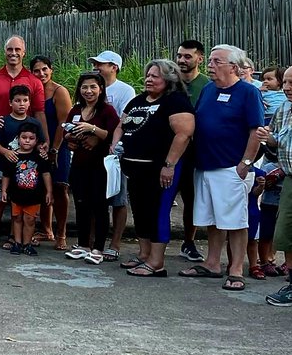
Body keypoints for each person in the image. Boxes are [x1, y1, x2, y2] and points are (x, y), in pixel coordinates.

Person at [179, 45, 264, 292]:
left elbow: (255, 131)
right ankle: (212, 263)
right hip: (205, 165)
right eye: (211, 61)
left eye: (217, 61)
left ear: (234, 67)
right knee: (212, 218)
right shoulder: (208, 89)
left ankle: (236, 269)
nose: (210, 65)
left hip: (231, 167)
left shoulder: (247, 92)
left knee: (236, 221)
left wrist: (245, 163)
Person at [109, 59, 194, 277]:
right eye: (148, 75)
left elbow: (183, 134)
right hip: (135, 169)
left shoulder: (176, 101)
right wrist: (115, 144)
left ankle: (157, 262)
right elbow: (121, 125)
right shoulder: (138, 100)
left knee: (158, 212)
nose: (149, 79)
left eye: (155, 76)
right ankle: (144, 254)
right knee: (140, 212)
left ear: (169, 78)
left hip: (160, 170)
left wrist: (169, 165)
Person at [257, 63, 292, 312]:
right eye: (285, 82)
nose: (286, 87)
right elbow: (278, 140)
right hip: (290, 180)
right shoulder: (284, 110)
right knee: (289, 236)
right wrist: (269, 139)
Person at [62, 72, 120, 265]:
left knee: (100, 207)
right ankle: (83, 244)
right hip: (79, 164)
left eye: (93, 87)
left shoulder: (107, 111)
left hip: (100, 166)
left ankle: (98, 248)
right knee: (80, 205)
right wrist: (70, 139)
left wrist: (92, 130)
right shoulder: (76, 109)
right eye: (85, 87)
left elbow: (113, 135)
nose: (88, 91)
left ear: (101, 89)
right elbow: (66, 132)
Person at [0, 85, 47, 250]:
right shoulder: (3, 121)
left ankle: (15, 237)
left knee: (17, 204)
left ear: (29, 103)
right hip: (2, 168)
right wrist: (6, 152)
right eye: (18, 100)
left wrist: (42, 150)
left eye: (25, 100)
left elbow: (40, 143)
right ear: (10, 102)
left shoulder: (34, 123)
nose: (22, 104)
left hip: (26, 172)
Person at [89, 50, 135, 261]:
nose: (96, 67)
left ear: (114, 67)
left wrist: (112, 142)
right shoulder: (91, 87)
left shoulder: (126, 90)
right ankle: (91, 240)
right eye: (95, 64)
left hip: (115, 151)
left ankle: (115, 243)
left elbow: (123, 122)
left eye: (101, 64)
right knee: (95, 198)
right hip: (92, 149)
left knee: (118, 197)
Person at [29, 55, 72, 249]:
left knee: (60, 187)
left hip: (58, 145)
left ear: (51, 69)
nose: (41, 73)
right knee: (42, 188)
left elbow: (64, 124)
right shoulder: (32, 91)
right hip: (38, 147)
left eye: (44, 69)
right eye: (37, 70)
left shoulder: (59, 91)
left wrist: (54, 148)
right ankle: (47, 229)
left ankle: (62, 233)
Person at [174, 39, 210, 261]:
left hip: (194, 153)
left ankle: (189, 242)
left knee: (191, 199)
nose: (182, 60)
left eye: (187, 56)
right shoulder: (169, 83)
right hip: (168, 152)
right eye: (179, 56)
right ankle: (154, 243)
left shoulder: (208, 86)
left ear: (200, 58)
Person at [0, 124, 53, 256]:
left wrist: (49, 192)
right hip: (16, 195)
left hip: (34, 196)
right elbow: (6, 175)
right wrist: (4, 190)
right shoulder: (13, 157)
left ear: (36, 140)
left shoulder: (40, 157)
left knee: (30, 220)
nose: (27, 141)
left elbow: (46, 174)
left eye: (31, 138)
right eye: (24, 137)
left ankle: (27, 244)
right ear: (18, 138)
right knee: (17, 218)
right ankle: (17, 243)